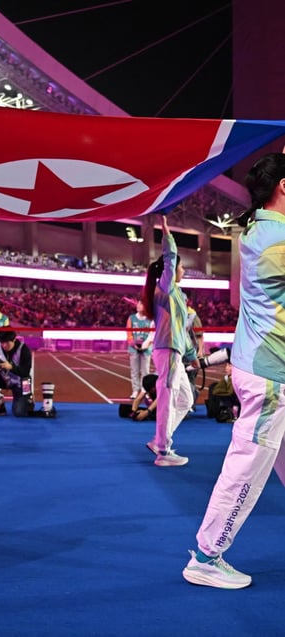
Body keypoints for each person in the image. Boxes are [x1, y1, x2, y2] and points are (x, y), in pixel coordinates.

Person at [182, 152, 285, 590]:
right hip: (270, 373)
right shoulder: (276, 239)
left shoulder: (260, 229)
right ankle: (207, 556)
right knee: (246, 467)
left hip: (261, 365)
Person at [142, 215, 199, 467]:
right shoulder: (164, 288)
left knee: (185, 399)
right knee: (167, 397)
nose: (183, 270)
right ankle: (164, 452)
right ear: (171, 271)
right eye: (181, 267)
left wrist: (191, 355)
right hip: (167, 351)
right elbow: (170, 257)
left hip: (176, 352)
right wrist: (166, 232)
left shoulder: (177, 294)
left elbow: (182, 330)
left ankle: (159, 440)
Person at [0, 330, 33, 417]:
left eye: (7, 343)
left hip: (23, 381)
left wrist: (11, 367)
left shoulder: (24, 349)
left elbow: (26, 372)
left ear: (14, 340)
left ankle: (28, 399)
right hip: (5, 379)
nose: (4, 345)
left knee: (20, 413)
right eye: (2, 343)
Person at [126, 299, 154, 399]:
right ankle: (135, 390)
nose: (138, 305)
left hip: (146, 348)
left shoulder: (151, 319)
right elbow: (129, 333)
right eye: (137, 303)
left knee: (145, 371)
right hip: (134, 348)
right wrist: (133, 344)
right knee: (134, 370)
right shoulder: (131, 318)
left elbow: (152, 334)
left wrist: (145, 345)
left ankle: (145, 391)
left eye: (141, 304)